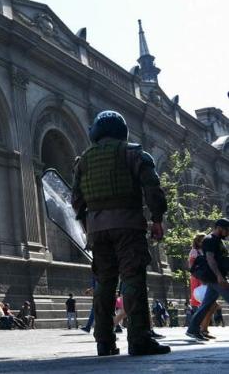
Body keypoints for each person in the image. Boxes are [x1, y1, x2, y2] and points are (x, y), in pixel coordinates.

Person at [72, 110, 170, 356]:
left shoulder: (83, 160)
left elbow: (76, 200)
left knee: (104, 282)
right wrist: (157, 220)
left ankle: (104, 341)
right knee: (132, 277)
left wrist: (88, 226)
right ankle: (139, 339)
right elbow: (153, 190)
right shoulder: (134, 153)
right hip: (128, 225)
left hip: (97, 230)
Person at [186, 218, 229, 340]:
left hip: (216, 277)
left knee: (206, 304)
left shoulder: (219, 241)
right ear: (219, 228)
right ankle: (193, 329)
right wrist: (219, 277)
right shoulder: (209, 240)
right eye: (227, 230)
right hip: (215, 277)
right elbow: (210, 259)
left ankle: (193, 329)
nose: (228, 233)